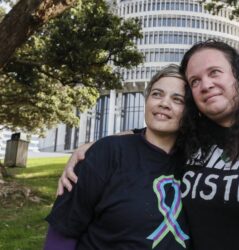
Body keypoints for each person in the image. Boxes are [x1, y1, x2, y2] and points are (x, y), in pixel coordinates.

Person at [58, 40, 239, 249]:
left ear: (238, 75)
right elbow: (154, 131)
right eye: (195, 81)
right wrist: (92, 148)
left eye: (215, 72)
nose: (206, 84)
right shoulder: (199, 137)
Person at [44, 64, 191, 249]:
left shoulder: (196, 159)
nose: (164, 103)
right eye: (157, 94)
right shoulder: (106, 153)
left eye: (178, 100)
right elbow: (63, 232)